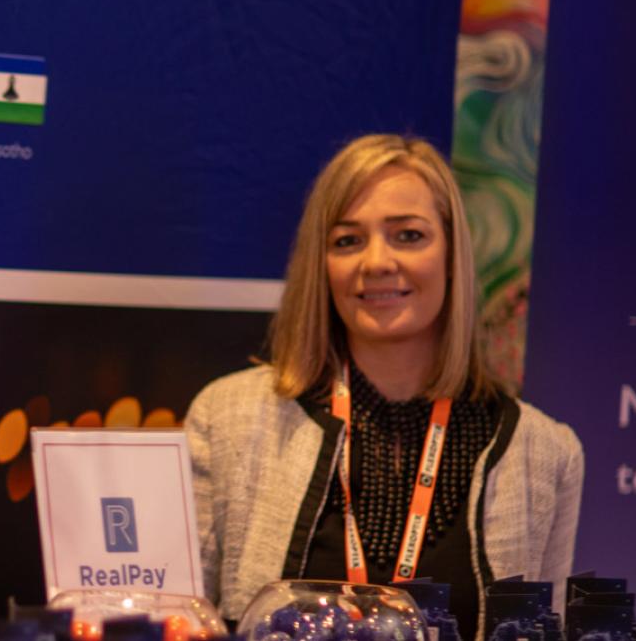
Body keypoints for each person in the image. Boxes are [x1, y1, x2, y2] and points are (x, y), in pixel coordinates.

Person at [184, 134, 583, 640]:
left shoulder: (544, 451)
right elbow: (184, 622)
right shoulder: (226, 420)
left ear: (452, 255)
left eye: (408, 235)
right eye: (347, 241)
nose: (376, 262)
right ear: (321, 265)